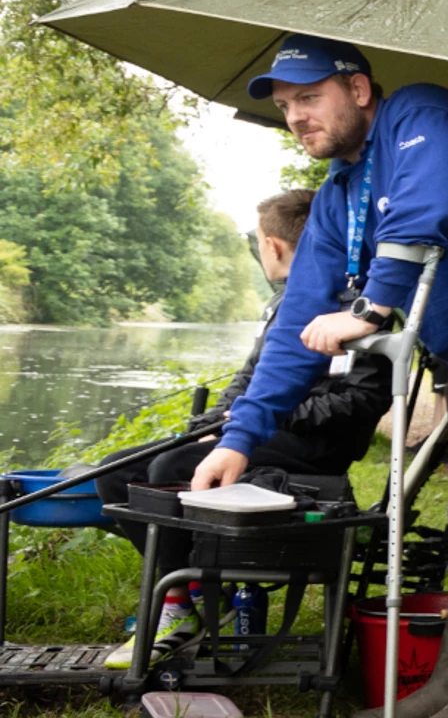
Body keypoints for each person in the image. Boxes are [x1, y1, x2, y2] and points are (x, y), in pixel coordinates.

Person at [187, 34, 448, 718]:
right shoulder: (336, 197)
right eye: (286, 106)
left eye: (310, 98)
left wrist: (370, 306)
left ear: (358, 89)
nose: (296, 116)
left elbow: (432, 209)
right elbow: (299, 322)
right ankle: (447, 687)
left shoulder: (423, 116)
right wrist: (240, 438)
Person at [95, 189, 392, 670]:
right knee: (115, 471)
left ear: (272, 246)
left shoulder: (359, 308)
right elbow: (249, 378)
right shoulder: (282, 304)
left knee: (170, 468)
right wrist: (215, 426)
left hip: (315, 448)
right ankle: (187, 598)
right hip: (257, 432)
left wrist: (259, 421)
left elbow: (361, 402)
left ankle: (178, 605)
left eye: (257, 243)